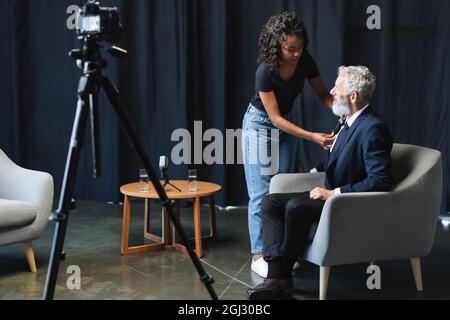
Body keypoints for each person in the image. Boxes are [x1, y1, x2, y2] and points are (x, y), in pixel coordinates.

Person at [247, 65, 393, 300]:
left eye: (337, 87)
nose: (332, 92)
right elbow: (339, 160)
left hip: (348, 203)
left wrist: (334, 193)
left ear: (353, 96)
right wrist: (314, 172)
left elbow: (381, 180)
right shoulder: (346, 122)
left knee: (296, 205)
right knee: (270, 202)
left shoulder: (373, 128)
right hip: (329, 195)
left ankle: (278, 277)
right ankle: (277, 276)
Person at [242, 12, 335, 278]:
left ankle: (280, 250)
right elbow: (275, 118)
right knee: (260, 193)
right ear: (277, 46)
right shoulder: (265, 72)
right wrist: (313, 136)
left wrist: (343, 111)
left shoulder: (304, 60)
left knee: (281, 189)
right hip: (260, 126)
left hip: (285, 127)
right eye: (290, 49)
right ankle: (259, 255)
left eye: (300, 47)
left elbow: (323, 95)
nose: (296, 54)